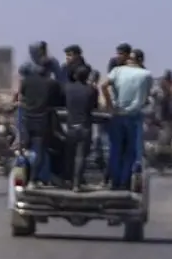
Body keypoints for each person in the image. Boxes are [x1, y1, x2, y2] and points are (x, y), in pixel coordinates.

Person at [101, 49, 153, 190]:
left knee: (115, 149)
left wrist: (110, 105)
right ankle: (125, 181)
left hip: (117, 114)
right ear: (141, 61)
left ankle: (114, 181)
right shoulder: (146, 75)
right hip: (134, 116)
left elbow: (103, 85)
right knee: (131, 150)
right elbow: (147, 96)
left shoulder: (117, 70)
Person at [19, 64, 65, 187]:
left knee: (25, 149)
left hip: (27, 120)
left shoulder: (26, 81)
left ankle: (24, 176)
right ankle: (33, 180)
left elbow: (22, 96)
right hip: (42, 121)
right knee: (40, 151)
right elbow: (59, 100)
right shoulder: (52, 84)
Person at [64, 67, 99, 191]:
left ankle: (67, 180)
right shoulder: (91, 90)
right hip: (85, 126)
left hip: (71, 126)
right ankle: (76, 184)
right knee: (80, 156)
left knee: (69, 155)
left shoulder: (68, 88)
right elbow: (94, 107)